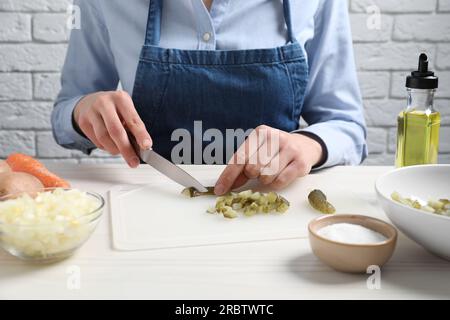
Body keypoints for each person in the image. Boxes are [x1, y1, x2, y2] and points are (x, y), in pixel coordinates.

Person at [52, 0, 367, 195]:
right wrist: (84, 110)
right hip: (150, 207)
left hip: (271, 210)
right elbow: (66, 113)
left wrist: (309, 145)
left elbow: (347, 126)